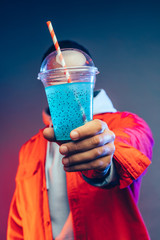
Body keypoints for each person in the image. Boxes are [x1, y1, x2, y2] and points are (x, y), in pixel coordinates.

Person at [7, 40, 154, 240]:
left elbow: (129, 147)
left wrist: (104, 163)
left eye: (76, 73)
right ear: (46, 80)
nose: (68, 81)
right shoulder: (29, 148)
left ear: (90, 77)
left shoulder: (127, 123)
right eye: (58, 74)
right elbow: (18, 222)